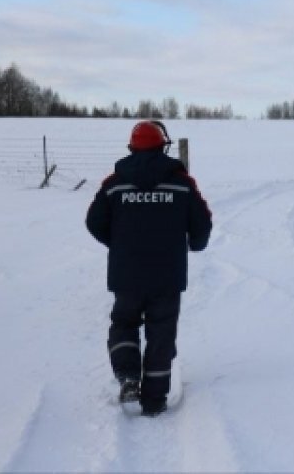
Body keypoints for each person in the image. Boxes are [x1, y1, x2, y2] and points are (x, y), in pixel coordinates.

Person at [86, 120, 212, 416]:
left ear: (132, 147)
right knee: (161, 332)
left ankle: (129, 378)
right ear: (162, 146)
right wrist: (195, 244)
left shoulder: (114, 183)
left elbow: (94, 222)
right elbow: (202, 223)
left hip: (126, 272)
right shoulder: (182, 183)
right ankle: (154, 401)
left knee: (124, 324)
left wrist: (118, 244)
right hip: (167, 274)